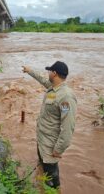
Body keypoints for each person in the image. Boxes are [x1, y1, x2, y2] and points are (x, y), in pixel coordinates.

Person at [22, 61, 77, 189]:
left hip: (51, 148)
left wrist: (59, 149)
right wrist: (30, 71)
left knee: (52, 183)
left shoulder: (66, 97)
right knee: (42, 171)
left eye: (49, 71)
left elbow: (68, 127)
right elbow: (42, 80)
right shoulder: (53, 88)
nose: (48, 73)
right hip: (42, 141)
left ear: (54, 73)